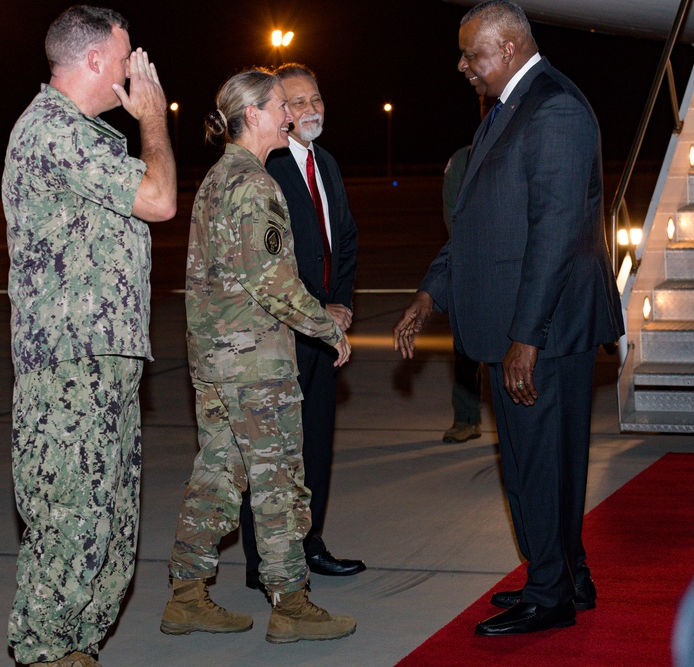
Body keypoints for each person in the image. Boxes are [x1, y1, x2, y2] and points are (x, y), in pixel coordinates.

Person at [393, 0, 624, 636]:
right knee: (531, 463)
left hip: (543, 329)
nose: (463, 65)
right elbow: (478, 223)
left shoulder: (554, 108)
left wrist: (526, 336)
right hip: (520, 323)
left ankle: (550, 595)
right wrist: (431, 294)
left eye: (474, 53)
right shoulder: (510, 110)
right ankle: (565, 573)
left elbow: (555, 233)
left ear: (511, 47)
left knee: (540, 465)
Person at [3, 6, 177, 666]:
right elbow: (160, 199)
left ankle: (76, 649)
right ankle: (46, 652)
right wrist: (154, 118)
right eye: (127, 56)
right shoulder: (53, 130)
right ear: (96, 61)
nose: (136, 71)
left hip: (103, 363)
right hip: (69, 366)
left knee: (109, 529)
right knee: (72, 526)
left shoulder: (87, 137)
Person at [159, 68, 356, 645]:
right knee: (278, 483)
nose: (288, 116)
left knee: (217, 477)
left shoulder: (219, 179)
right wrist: (328, 329)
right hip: (253, 364)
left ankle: (187, 595)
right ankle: (291, 603)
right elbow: (273, 282)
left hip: (217, 359)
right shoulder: (255, 184)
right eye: (279, 107)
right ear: (253, 116)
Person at [238, 63, 364, 591]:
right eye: (296, 102)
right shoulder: (265, 169)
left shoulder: (326, 163)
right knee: (271, 451)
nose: (309, 109)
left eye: (316, 98)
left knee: (315, 443)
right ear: (278, 112)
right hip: (282, 331)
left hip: (324, 331)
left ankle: (310, 545)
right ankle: (263, 561)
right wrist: (317, 311)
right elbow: (272, 262)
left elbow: (346, 242)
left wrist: (341, 308)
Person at [439, 96, 491, 445]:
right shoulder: (463, 160)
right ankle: (467, 418)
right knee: (465, 351)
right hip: (471, 272)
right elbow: (453, 222)